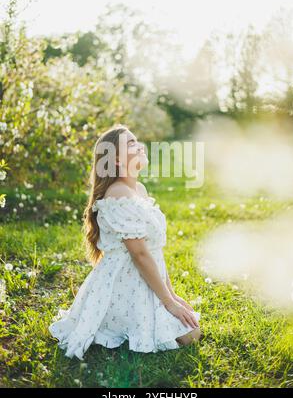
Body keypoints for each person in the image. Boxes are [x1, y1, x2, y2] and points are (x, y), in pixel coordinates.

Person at [48, 124, 202, 360]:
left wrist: (172, 296)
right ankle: (116, 323)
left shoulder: (138, 188)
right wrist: (168, 303)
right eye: (130, 143)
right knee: (189, 335)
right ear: (116, 160)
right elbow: (139, 254)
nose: (139, 145)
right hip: (124, 282)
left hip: (143, 277)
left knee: (190, 326)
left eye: (136, 140)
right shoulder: (118, 193)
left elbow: (153, 252)